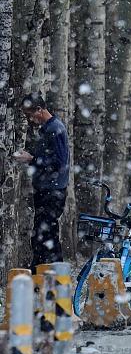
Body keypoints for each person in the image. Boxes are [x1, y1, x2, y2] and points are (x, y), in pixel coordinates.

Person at [13, 93, 70, 272]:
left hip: (53, 192)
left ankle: (48, 275)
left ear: (40, 109)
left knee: (45, 236)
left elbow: (59, 163)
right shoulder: (47, 129)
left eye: (30, 114)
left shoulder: (55, 129)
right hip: (46, 190)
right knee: (44, 235)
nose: (30, 119)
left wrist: (32, 159)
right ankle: (44, 274)